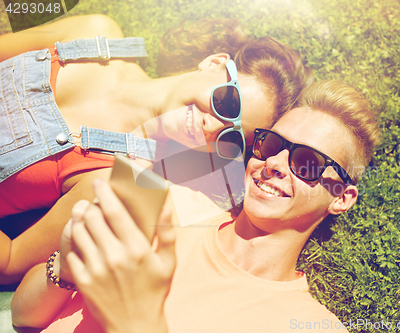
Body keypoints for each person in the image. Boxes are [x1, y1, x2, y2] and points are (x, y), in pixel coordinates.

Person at [11, 80, 381, 332]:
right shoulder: (162, 200)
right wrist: (65, 266)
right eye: (270, 145)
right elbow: (24, 315)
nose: (274, 164)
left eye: (306, 163)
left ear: (341, 197)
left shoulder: (307, 325)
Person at [0, 14, 312, 283]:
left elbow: (11, 262)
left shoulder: (110, 179)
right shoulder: (96, 34)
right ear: (215, 64)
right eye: (227, 104)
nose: (213, 127)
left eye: (232, 138)